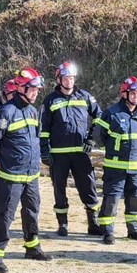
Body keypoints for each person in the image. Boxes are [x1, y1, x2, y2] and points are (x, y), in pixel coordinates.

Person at [0, 67, 52, 273]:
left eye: (37, 90)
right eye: (32, 89)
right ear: (21, 87)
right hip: (11, 176)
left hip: (31, 175)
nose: (35, 93)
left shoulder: (33, 111)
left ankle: (32, 247)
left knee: (32, 212)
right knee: (5, 215)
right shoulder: (6, 112)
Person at [39, 61, 103, 236]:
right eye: (66, 78)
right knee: (59, 189)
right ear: (59, 79)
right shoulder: (50, 100)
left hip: (80, 153)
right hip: (58, 155)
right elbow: (43, 128)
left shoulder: (84, 96)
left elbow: (99, 117)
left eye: (72, 78)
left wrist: (91, 139)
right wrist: (44, 151)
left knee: (88, 187)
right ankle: (63, 224)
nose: (69, 81)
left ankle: (93, 223)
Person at [93, 76, 137, 245]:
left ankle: (134, 229)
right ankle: (107, 231)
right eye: (132, 93)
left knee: (135, 198)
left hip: (136, 167)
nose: (136, 97)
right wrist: (112, 150)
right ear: (124, 94)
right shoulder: (112, 113)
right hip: (115, 167)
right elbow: (98, 135)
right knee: (111, 198)